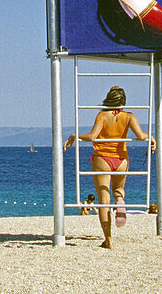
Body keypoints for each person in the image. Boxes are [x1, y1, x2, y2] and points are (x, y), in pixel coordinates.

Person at [63, 86, 155, 249]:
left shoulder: (102, 115)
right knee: (118, 190)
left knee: (103, 200)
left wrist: (75, 136)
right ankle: (120, 200)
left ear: (108, 98)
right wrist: (151, 137)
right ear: (123, 101)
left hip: (102, 159)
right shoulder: (129, 116)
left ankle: (108, 240)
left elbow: (92, 136)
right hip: (121, 160)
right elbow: (141, 136)